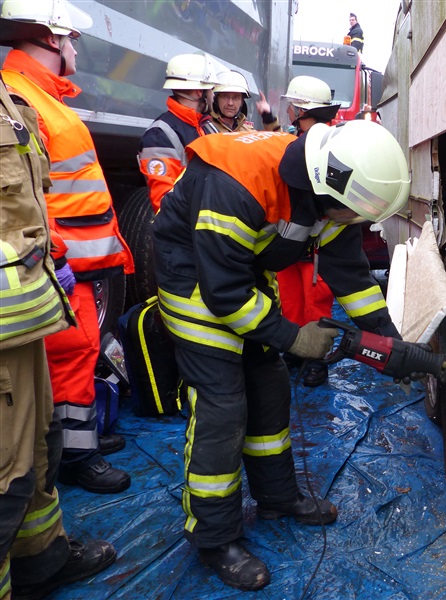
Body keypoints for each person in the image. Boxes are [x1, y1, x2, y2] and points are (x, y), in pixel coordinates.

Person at [150, 120, 409, 590]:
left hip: (240, 271)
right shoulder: (235, 184)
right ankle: (215, 538)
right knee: (222, 404)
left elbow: (349, 273)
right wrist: (294, 338)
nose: (352, 220)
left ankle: (276, 498)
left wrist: (390, 340)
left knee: (268, 385)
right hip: (193, 279)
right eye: (352, 212)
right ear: (326, 187)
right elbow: (224, 294)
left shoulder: (332, 193)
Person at [1, 0, 134, 495]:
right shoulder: (21, 96)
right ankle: (77, 457)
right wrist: (53, 255)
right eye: (73, 39)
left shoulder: (37, 93)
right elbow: (24, 194)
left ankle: (74, 446)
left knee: (75, 353)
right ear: (52, 38)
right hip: (55, 262)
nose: (76, 49)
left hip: (70, 260)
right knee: (71, 354)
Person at [0, 66, 117, 599]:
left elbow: (27, 202)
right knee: (6, 471)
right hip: (11, 315)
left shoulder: (11, 99)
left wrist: (51, 257)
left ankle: (41, 561)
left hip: (24, 314)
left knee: (37, 446)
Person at [276, 75, 341, 387]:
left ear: (302, 110)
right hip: (291, 242)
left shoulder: (331, 146)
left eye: (292, 105)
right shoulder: (295, 142)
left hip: (317, 244)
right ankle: (295, 349)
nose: (289, 110)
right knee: (290, 302)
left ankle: (317, 359)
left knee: (316, 304)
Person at [138, 52, 223, 213]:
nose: (213, 96)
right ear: (199, 92)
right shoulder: (159, 135)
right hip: (190, 226)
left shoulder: (207, 126)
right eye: (211, 89)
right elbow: (164, 204)